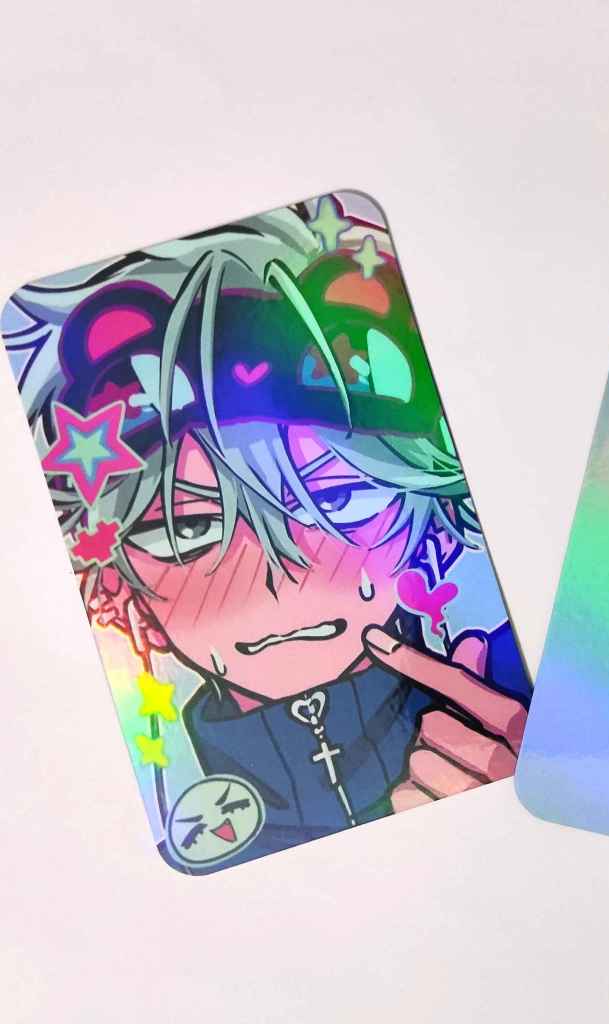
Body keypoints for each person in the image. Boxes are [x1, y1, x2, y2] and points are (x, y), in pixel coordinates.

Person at [4, 194, 530, 872]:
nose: (280, 582)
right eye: (190, 526)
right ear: (116, 575)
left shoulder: (516, 667)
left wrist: (535, 792)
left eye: (334, 499)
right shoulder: (107, 782)